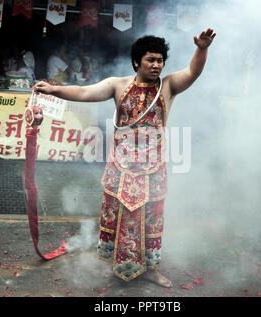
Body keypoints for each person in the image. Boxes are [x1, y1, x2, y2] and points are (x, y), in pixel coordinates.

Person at [34, 28, 216, 288]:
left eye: (160, 60)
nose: (156, 65)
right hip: (121, 168)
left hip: (153, 169)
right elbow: (85, 93)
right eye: (150, 60)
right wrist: (53, 90)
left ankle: (151, 270)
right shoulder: (117, 85)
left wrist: (202, 49)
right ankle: (116, 267)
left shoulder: (168, 86)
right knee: (118, 219)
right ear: (136, 62)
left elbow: (193, 72)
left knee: (151, 221)